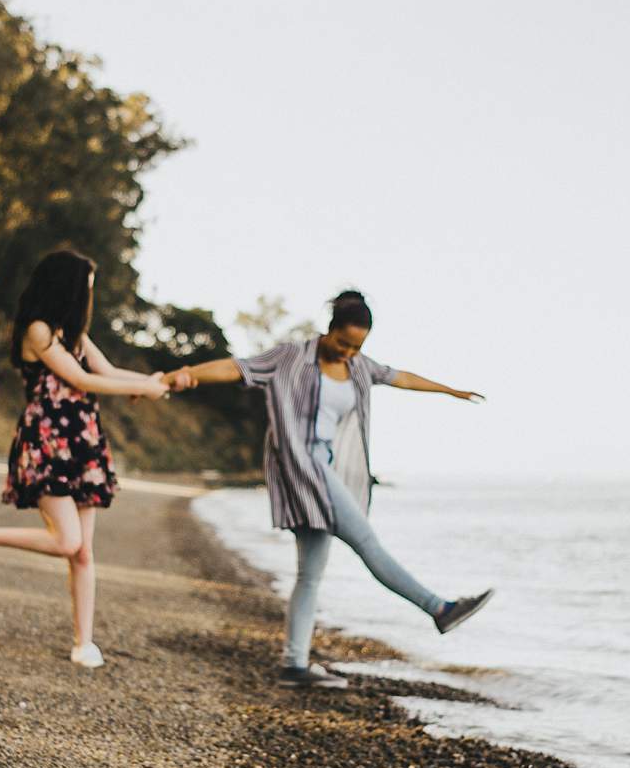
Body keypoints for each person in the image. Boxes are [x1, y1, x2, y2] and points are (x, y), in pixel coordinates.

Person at [169, 290, 493, 685]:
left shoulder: (358, 367)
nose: (348, 353)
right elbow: (236, 367)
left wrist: (450, 390)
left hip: (324, 466)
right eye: (343, 343)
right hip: (302, 467)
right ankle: (439, 608)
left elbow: (400, 377)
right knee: (368, 544)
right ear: (329, 330)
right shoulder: (290, 357)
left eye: (357, 347)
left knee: (309, 575)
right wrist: (183, 374)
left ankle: (294, 664)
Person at [0, 249, 170, 668]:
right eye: (86, 288)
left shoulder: (74, 335)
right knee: (68, 541)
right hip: (47, 442)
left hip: (83, 444)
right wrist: (146, 388)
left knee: (83, 553)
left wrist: (153, 382)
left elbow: (106, 370)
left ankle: (83, 643)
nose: (89, 296)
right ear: (66, 287)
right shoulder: (38, 330)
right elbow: (81, 379)